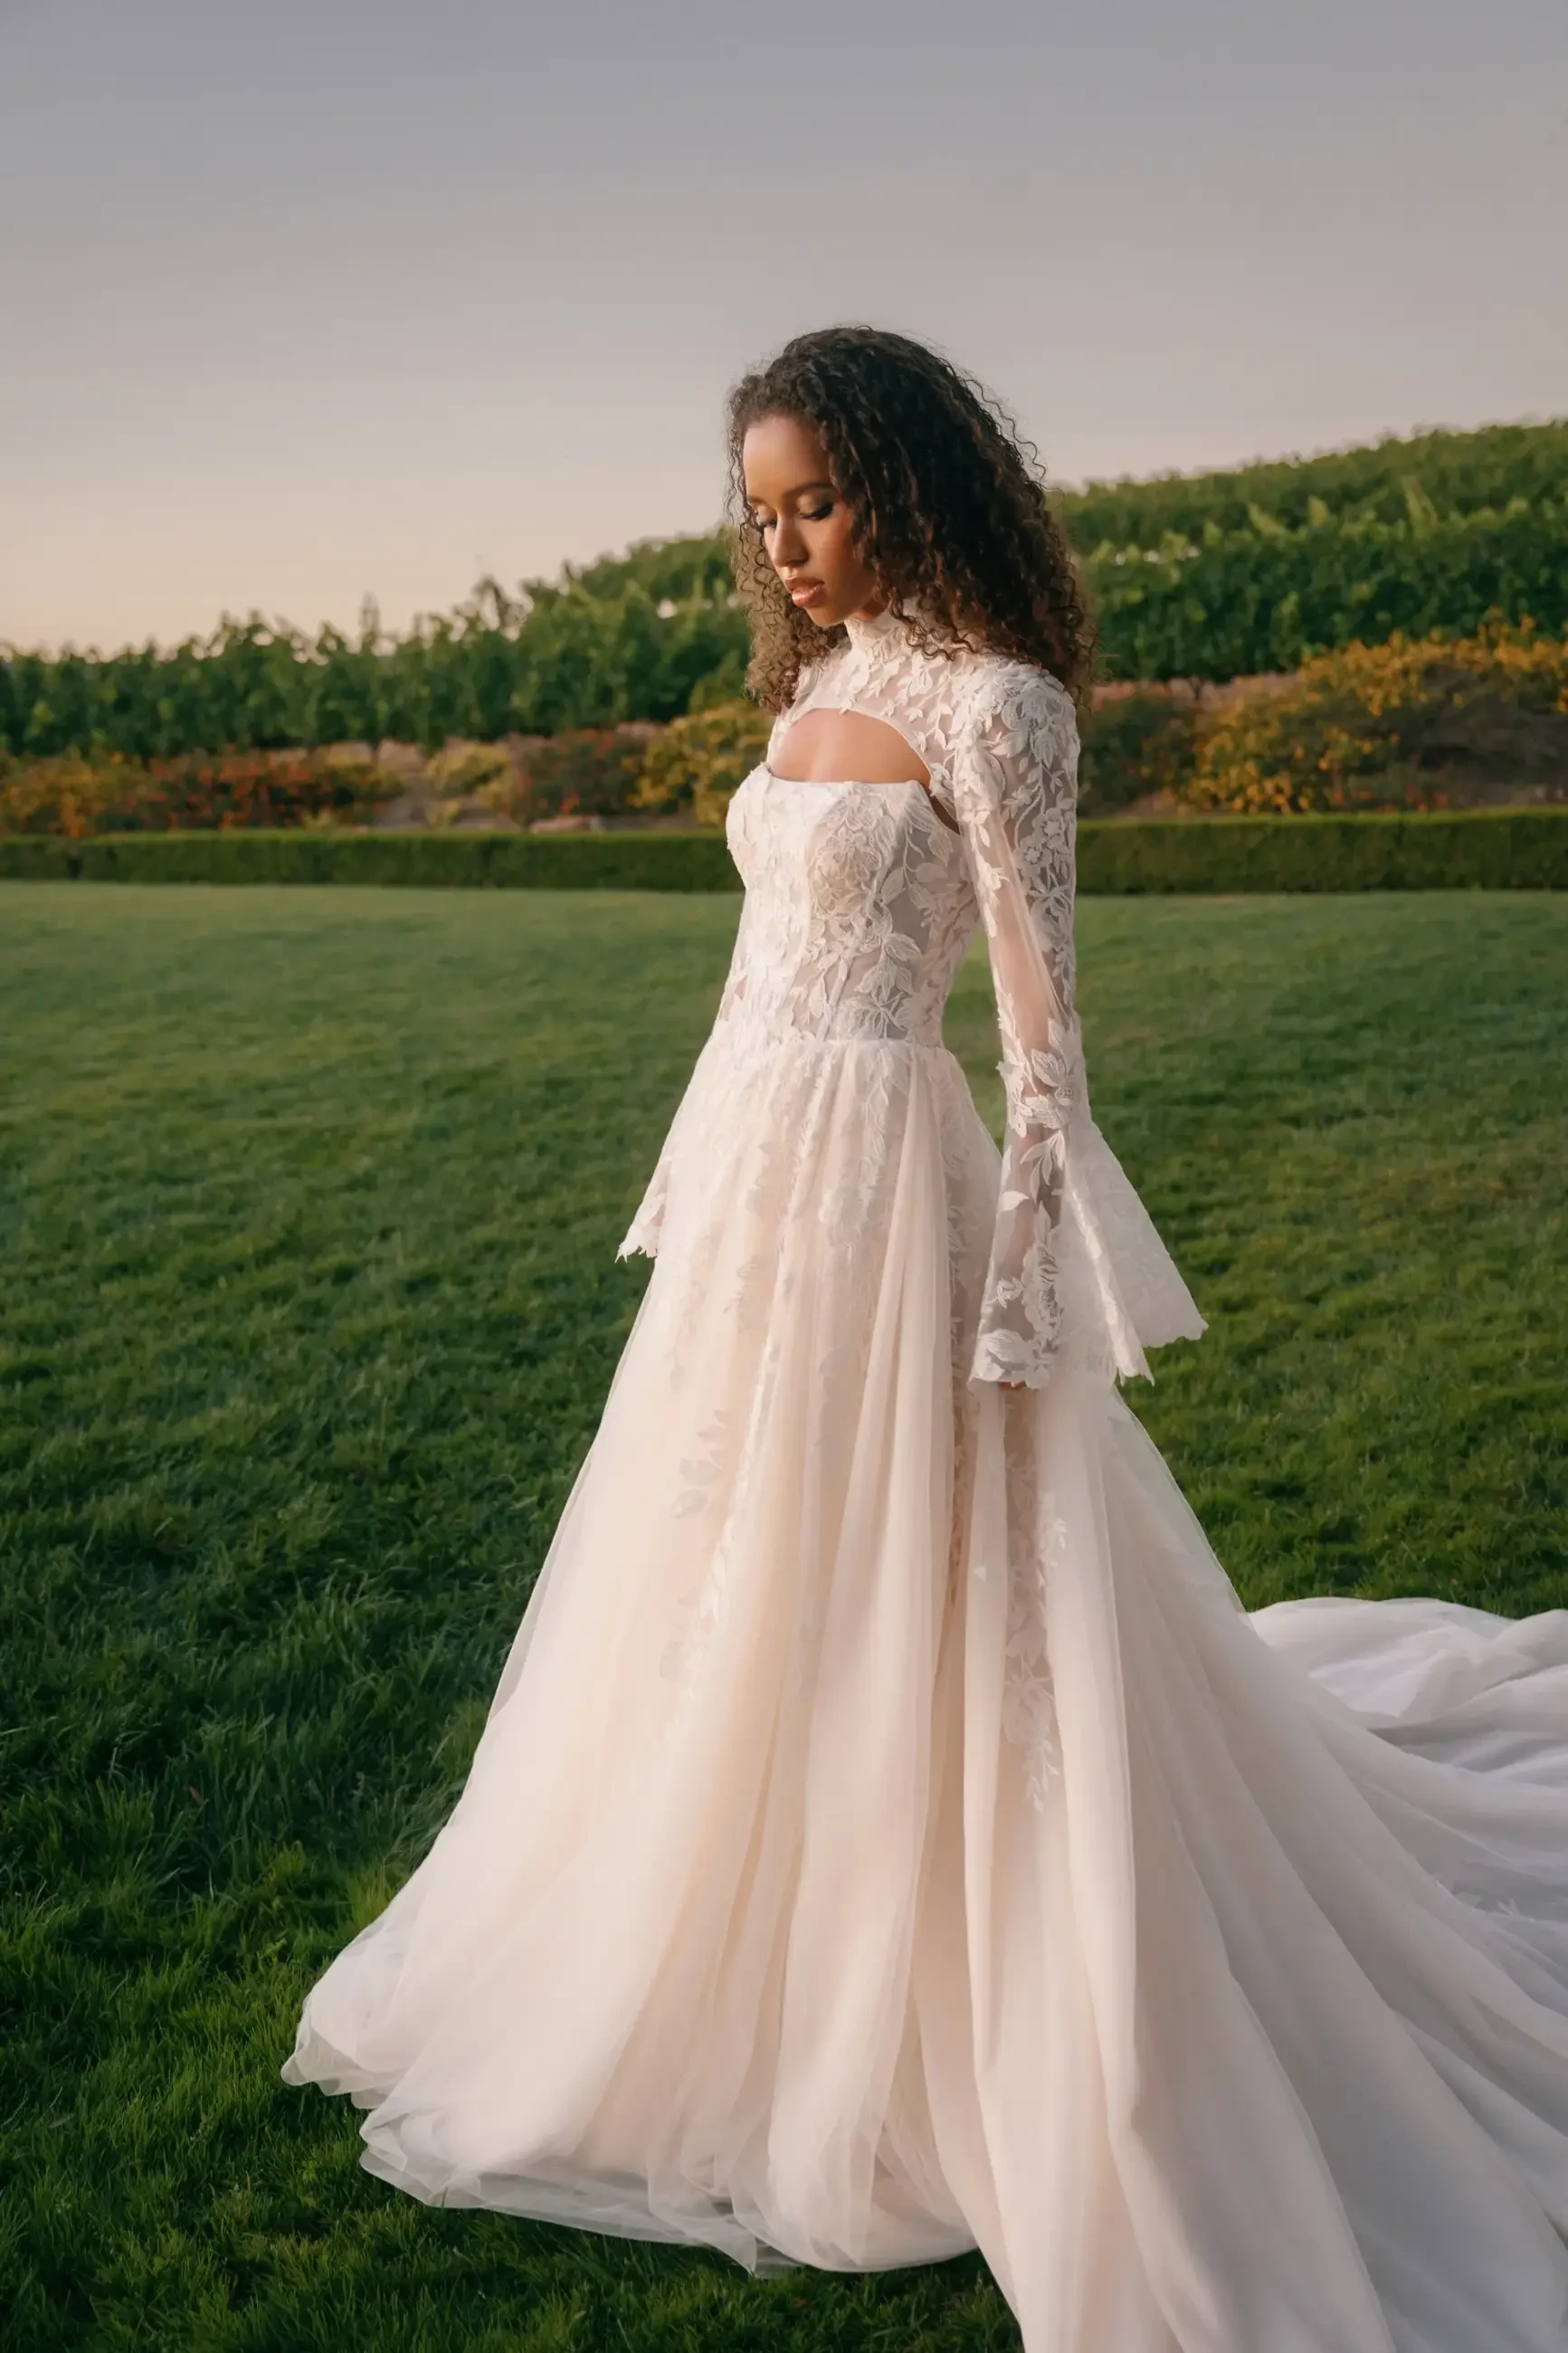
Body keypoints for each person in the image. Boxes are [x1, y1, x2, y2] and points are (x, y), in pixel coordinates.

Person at [281, 326, 1568, 2351]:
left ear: (906, 479)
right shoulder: (807, 691)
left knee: (918, 1566)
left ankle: (935, 1948)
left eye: (817, 499)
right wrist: (686, 1184)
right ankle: (731, 1924)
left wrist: (1031, 1252)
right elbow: (743, 983)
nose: (785, 544)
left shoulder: (1002, 707)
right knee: (723, 1558)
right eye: (761, 509)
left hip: (895, 1173)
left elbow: (1047, 1020)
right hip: (761, 1190)